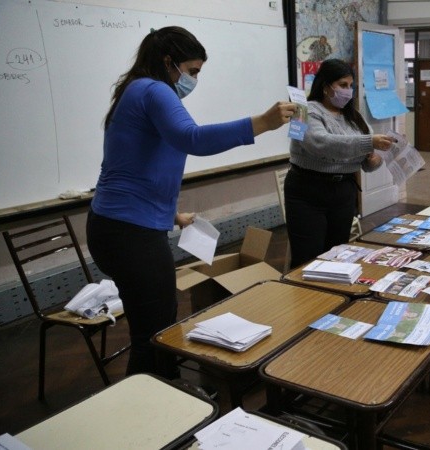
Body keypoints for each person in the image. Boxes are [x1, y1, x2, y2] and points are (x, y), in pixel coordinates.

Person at [86, 26, 297, 378]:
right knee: (156, 332)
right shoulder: (155, 89)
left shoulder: (137, 89)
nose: (194, 80)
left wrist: (172, 214)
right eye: (193, 71)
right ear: (169, 62)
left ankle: (160, 399)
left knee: (154, 324)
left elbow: (137, 168)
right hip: (129, 233)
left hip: (117, 227)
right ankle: (157, 407)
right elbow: (192, 138)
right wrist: (262, 123)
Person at [285, 58, 393, 268]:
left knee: (337, 253)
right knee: (307, 257)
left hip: (343, 191)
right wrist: (369, 142)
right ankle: (304, 299)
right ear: (326, 87)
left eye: (351, 86)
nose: (348, 91)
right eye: (343, 85)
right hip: (307, 191)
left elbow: (367, 163)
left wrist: (376, 158)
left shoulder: (353, 116)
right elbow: (319, 143)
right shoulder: (302, 110)